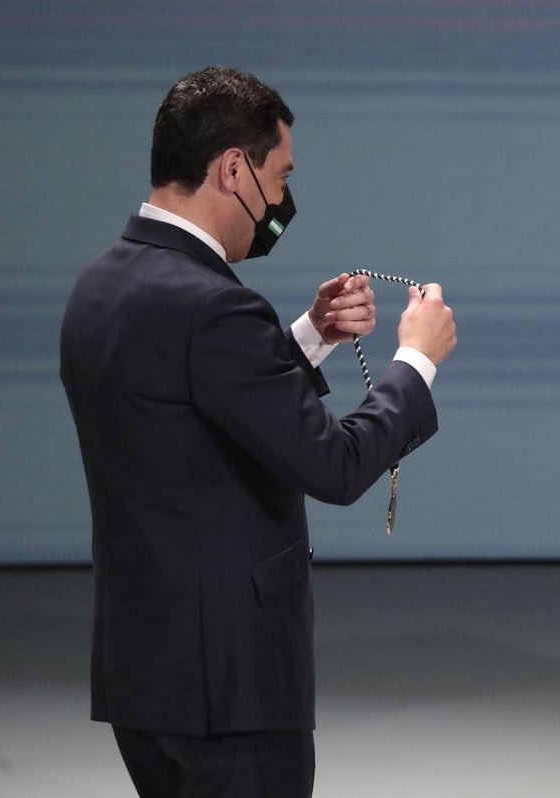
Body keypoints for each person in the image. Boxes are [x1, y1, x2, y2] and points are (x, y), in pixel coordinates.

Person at [59, 66, 456, 798]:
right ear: (233, 168)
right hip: (229, 687)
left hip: (145, 675)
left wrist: (308, 336)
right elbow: (334, 465)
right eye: (279, 178)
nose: (280, 203)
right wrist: (415, 362)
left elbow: (193, 407)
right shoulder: (211, 307)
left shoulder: (101, 285)